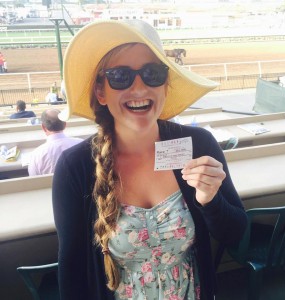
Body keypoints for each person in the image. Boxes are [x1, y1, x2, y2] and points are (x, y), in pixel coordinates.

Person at [52, 19, 247, 300]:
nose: (140, 89)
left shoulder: (198, 145)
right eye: (120, 76)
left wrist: (210, 200)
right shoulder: (76, 167)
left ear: (165, 85)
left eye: (152, 73)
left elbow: (237, 236)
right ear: (100, 92)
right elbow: (72, 270)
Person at [28, 108, 83, 176]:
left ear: (43, 127)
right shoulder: (82, 144)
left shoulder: (36, 155)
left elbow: (33, 179)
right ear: (65, 125)